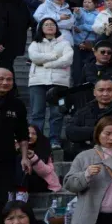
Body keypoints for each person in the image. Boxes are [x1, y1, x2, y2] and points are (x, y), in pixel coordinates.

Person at [26, 18, 73, 148]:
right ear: (41, 28)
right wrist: (55, 56)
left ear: (56, 27)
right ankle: (37, 141)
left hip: (59, 82)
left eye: (52, 24)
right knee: (37, 113)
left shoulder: (65, 43)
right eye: (46, 24)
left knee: (57, 114)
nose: (50, 26)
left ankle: (54, 140)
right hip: (37, 81)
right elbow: (34, 58)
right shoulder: (35, 43)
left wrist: (47, 64)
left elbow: (67, 60)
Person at [64, 77, 112, 156]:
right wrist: (102, 132)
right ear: (94, 92)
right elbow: (70, 131)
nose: (105, 94)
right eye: (101, 90)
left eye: (109, 90)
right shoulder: (84, 111)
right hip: (85, 157)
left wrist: (86, 135)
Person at [0, 0, 30, 72]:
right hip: (15, 40)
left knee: (4, 67)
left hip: (3, 41)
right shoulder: (19, 1)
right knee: (7, 65)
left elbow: (1, 23)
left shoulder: (1, 1)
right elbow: (27, 20)